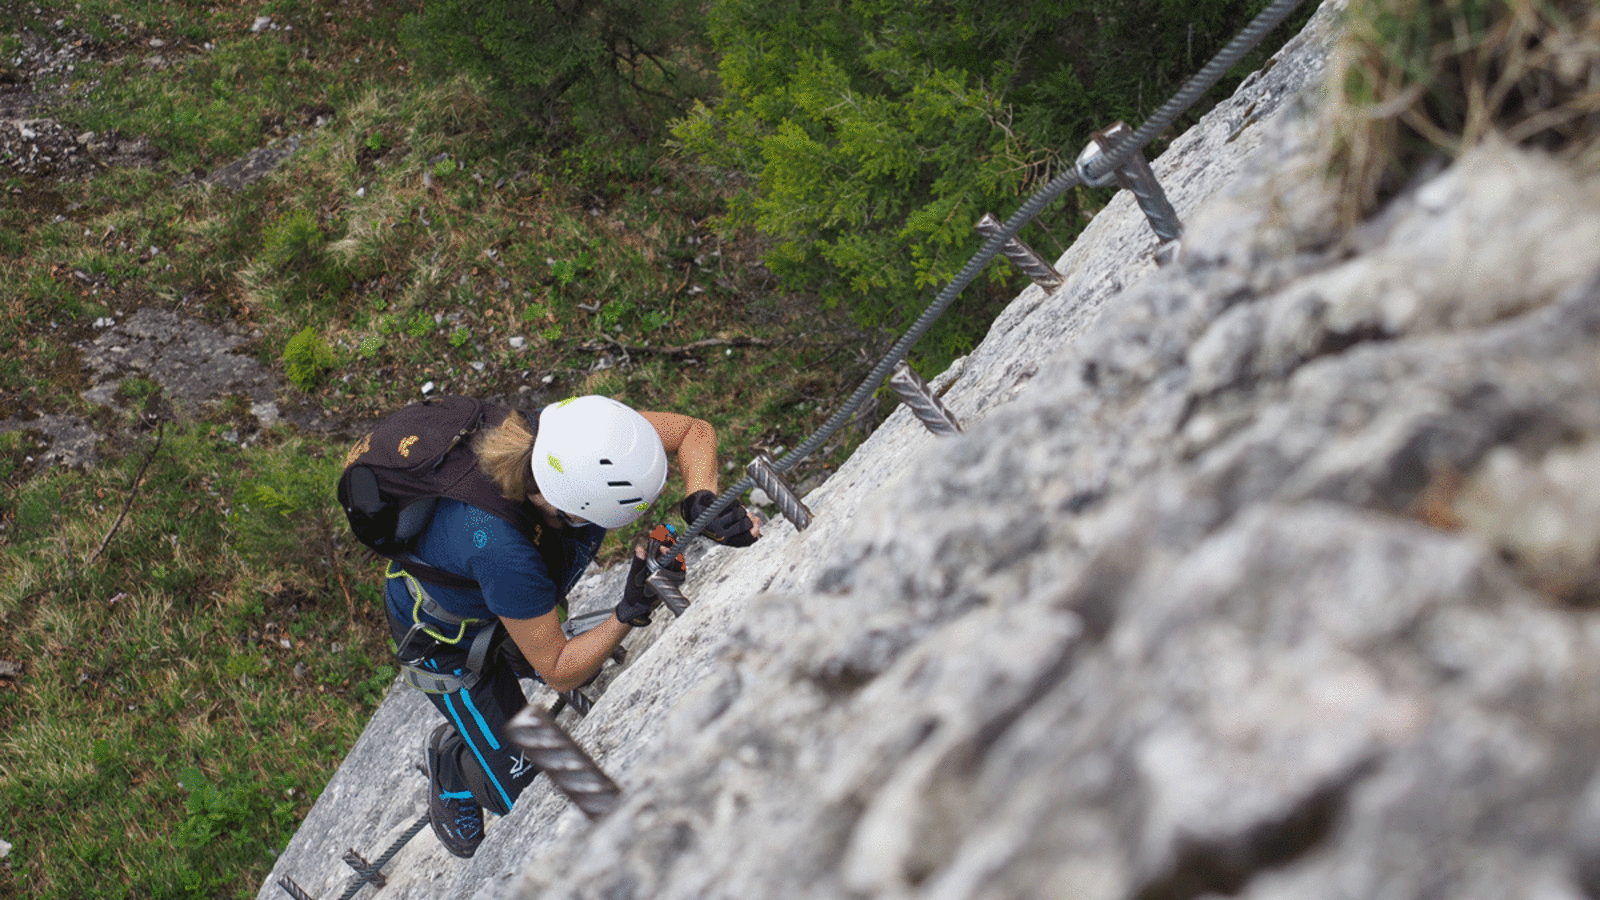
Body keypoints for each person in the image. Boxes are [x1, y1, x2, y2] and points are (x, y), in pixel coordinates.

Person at [381, 394, 760, 857]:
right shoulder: (503, 550)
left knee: (574, 657)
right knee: (516, 793)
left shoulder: (575, 440)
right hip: (447, 639)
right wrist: (629, 608)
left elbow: (691, 431)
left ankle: (512, 657)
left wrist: (701, 499)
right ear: (573, 510)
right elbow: (561, 668)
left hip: (499, 595)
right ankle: (454, 764)